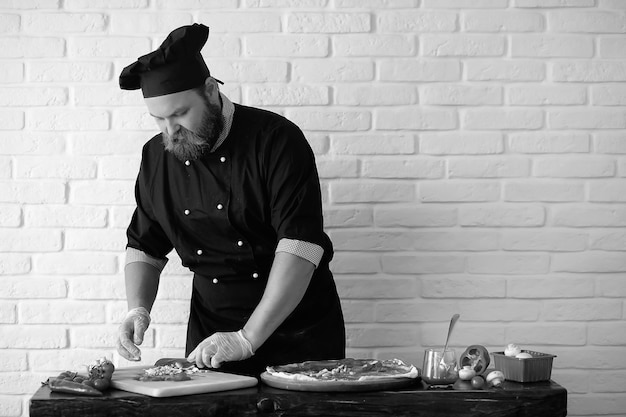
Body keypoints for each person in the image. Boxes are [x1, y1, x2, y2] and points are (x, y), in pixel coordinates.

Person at [115, 23, 345, 376]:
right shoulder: (156, 157)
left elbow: (302, 245)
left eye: (178, 114)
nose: (170, 131)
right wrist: (137, 309)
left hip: (297, 333)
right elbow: (145, 245)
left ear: (210, 91)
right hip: (211, 338)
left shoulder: (277, 141)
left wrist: (247, 338)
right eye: (158, 119)